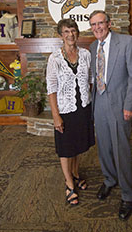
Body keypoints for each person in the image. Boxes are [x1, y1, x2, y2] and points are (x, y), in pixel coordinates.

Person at [89, 10, 132, 220]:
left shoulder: (127, 42)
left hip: (120, 105)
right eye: (93, 25)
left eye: (100, 23)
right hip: (99, 102)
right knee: (104, 147)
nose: (97, 28)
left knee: (121, 149)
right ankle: (109, 180)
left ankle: (127, 195)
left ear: (109, 24)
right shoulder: (93, 47)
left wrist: (129, 105)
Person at [46, 18, 95, 206]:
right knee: (66, 148)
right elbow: (51, 88)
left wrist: (86, 97)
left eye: (73, 30)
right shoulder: (55, 58)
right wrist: (56, 116)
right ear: (61, 35)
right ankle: (69, 184)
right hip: (65, 110)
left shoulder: (85, 54)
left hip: (82, 107)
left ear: (78, 33)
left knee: (78, 145)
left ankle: (75, 174)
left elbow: (90, 78)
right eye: (66, 31)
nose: (70, 34)